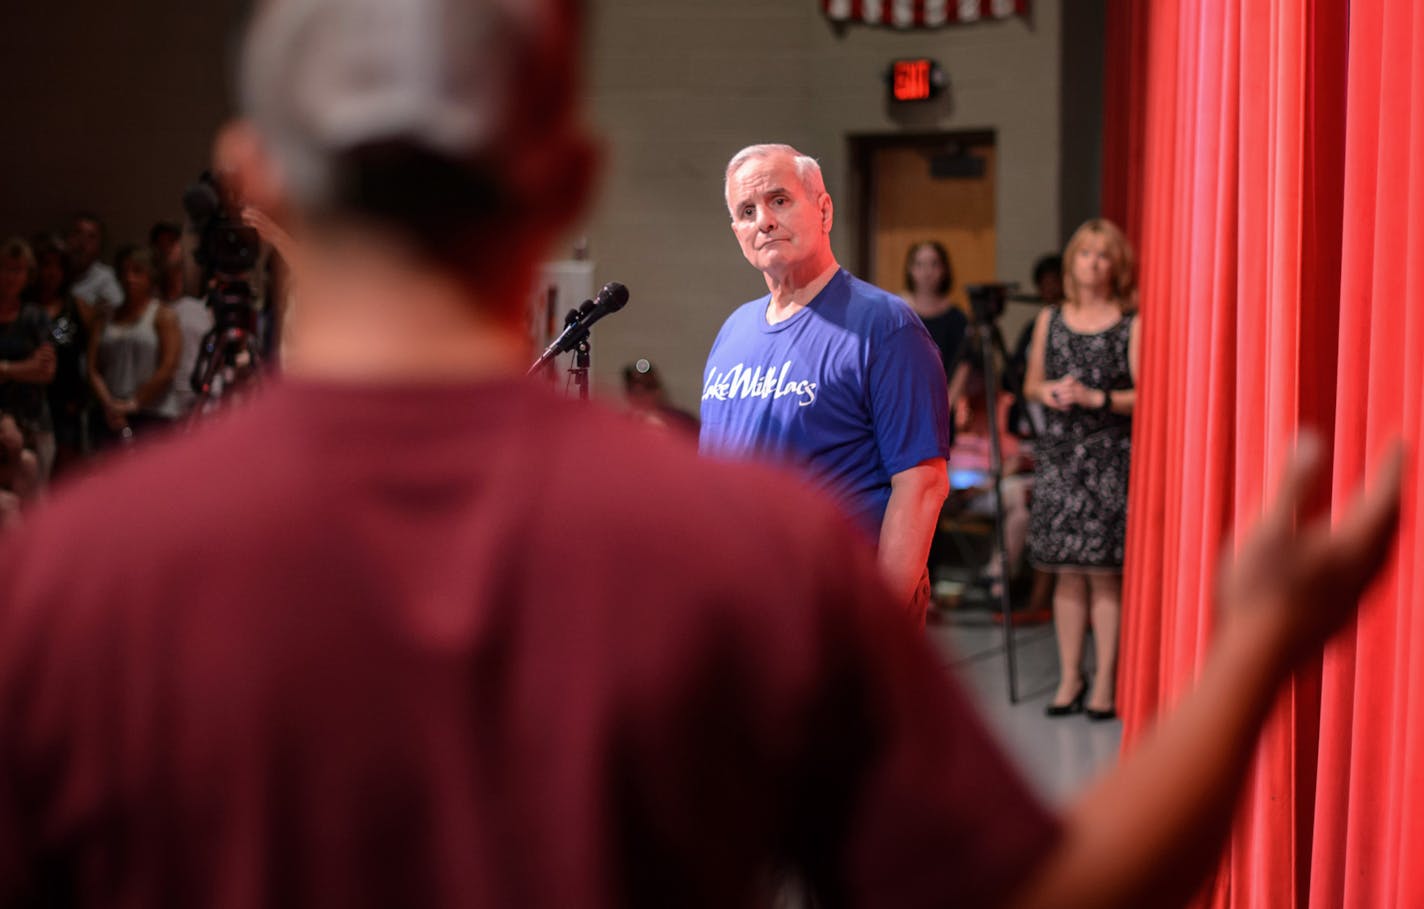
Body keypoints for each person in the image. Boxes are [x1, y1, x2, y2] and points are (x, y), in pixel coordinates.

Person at [0, 3, 1408, 908]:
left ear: (255, 181)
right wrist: (1255, 651)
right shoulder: (749, 560)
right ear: (566, 176)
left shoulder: (66, 576)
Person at [701, 143, 952, 619]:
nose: (764, 221)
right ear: (737, 231)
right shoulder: (733, 330)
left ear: (823, 209)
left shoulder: (886, 326)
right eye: (747, 211)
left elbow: (921, 486)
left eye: (779, 200)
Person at [1023, 219, 1139, 720]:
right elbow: (1030, 383)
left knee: (1105, 578)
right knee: (1067, 574)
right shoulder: (1051, 318)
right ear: (1072, 262)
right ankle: (1071, 675)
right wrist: (1047, 392)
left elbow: (1148, 393)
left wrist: (1099, 398)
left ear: (1117, 265)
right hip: (1060, 457)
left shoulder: (1131, 321)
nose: (1092, 262)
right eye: (1085, 253)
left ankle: (1105, 682)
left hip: (1108, 458)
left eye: (1102, 254)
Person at [86, 245, 181, 444]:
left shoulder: (163, 315)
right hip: (109, 414)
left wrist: (134, 403)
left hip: (152, 414)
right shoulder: (105, 317)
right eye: (124, 272)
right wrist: (110, 405)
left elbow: (168, 366)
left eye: (137, 271)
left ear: (150, 276)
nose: (129, 278)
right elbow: (93, 368)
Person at [29, 237, 93, 473]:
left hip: (66, 402)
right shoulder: (24, 306)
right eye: (46, 265)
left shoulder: (77, 307)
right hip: (28, 401)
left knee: (65, 474)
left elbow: (92, 357)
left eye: (58, 266)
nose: (51, 273)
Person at [0, 238, 56, 482]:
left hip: (33, 418)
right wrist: (26, 367)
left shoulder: (36, 316)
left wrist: (4, 368)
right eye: (5, 268)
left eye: (18, 269)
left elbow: (46, 372)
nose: (10, 276)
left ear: (28, 274)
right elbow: (34, 368)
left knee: (36, 499)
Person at [902, 240, 969, 419]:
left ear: (944, 269)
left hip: (941, 410)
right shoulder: (897, 314)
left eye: (934, 264)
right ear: (910, 269)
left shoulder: (956, 318)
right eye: (920, 264)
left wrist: (946, 405)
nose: (927, 272)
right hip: (902, 407)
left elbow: (963, 365)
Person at [622, 358, 698, 435]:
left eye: (649, 386)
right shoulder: (621, 425)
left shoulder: (682, 421)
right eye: (634, 390)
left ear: (658, 390)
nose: (642, 394)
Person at [65, 212, 122, 313]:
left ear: (99, 246)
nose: (83, 242)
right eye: (78, 233)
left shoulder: (106, 278)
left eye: (91, 237)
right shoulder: (56, 272)